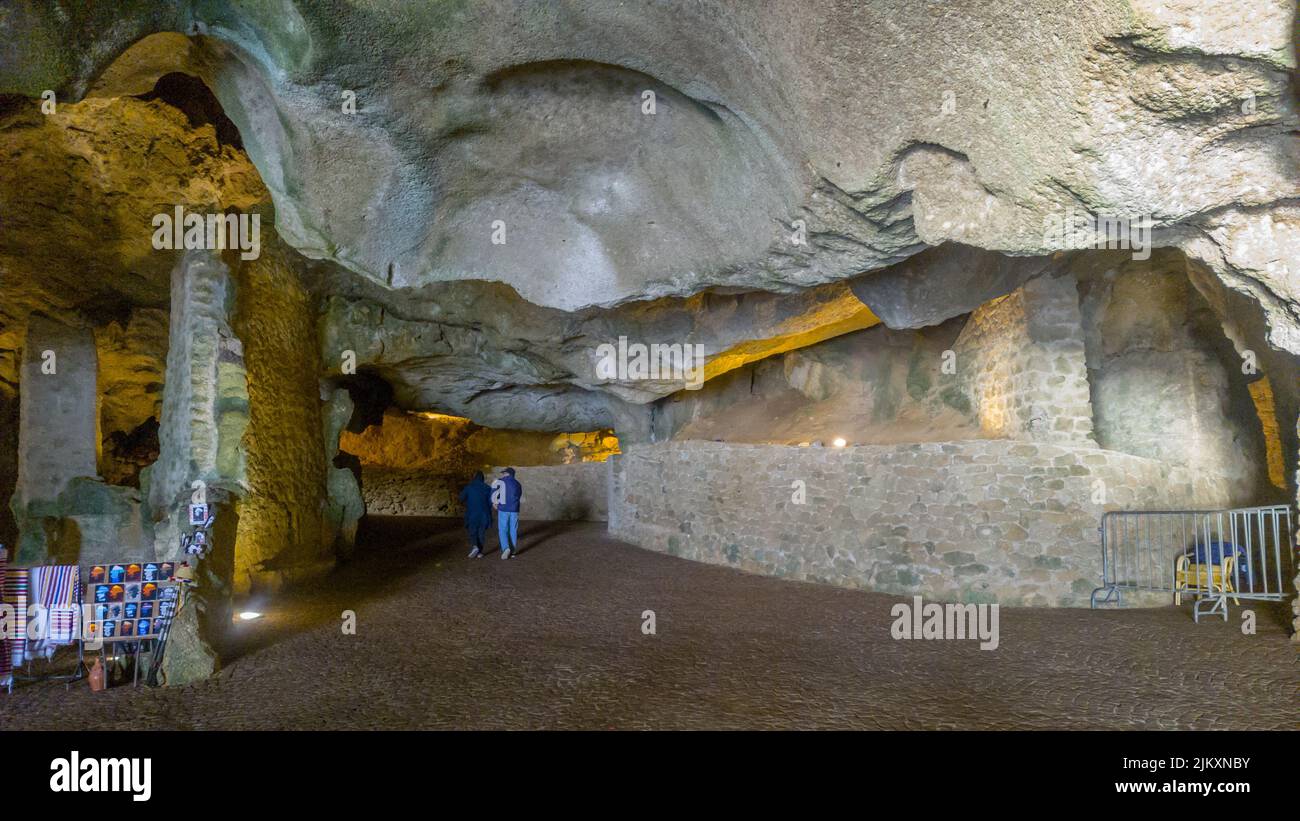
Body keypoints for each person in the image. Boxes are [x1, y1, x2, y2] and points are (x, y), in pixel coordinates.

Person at [459, 471, 493, 558]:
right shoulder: (487, 488)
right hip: (484, 514)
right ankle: (479, 552)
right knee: (481, 532)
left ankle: (475, 546)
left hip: (472, 513)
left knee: (472, 531)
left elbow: (461, 498)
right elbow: (490, 502)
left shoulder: (469, 487)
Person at [494, 467, 523, 559]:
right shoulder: (518, 484)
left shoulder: (499, 481)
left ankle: (506, 548)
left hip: (503, 508)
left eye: (504, 473)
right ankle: (513, 551)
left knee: (503, 529)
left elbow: (493, 493)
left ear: (507, 473)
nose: (503, 475)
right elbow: (518, 496)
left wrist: (494, 503)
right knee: (513, 530)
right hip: (514, 509)